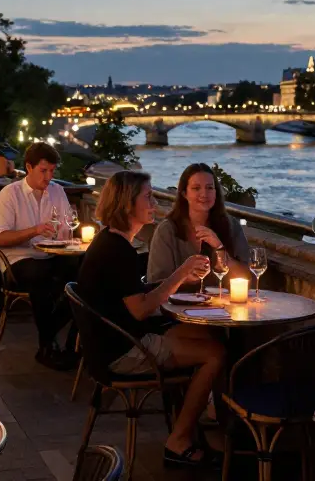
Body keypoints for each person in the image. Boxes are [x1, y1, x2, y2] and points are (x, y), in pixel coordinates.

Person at [77, 171, 225, 468]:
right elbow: (140, 309)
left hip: (111, 343)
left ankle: (193, 423)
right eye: (148, 197)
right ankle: (179, 440)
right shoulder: (118, 251)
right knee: (215, 355)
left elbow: (134, 297)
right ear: (127, 203)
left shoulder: (110, 242)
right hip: (123, 351)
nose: (154, 204)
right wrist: (181, 273)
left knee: (208, 338)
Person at [0, 142, 80, 370]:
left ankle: (71, 345)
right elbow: (0, 238)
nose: (49, 176)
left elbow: (66, 227)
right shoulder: (9, 194)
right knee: (42, 278)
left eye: (52, 171)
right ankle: (47, 346)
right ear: (29, 168)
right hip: (18, 260)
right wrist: (35, 230)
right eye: (44, 171)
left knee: (84, 276)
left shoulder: (57, 191)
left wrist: (68, 233)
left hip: (51, 256)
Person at [148, 163, 251, 289]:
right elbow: (155, 283)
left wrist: (219, 248)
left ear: (216, 192)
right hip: (177, 306)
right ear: (184, 194)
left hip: (221, 306)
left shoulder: (231, 225)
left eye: (209, 188)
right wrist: (185, 278)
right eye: (196, 188)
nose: (204, 194)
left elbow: (246, 276)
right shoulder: (167, 230)